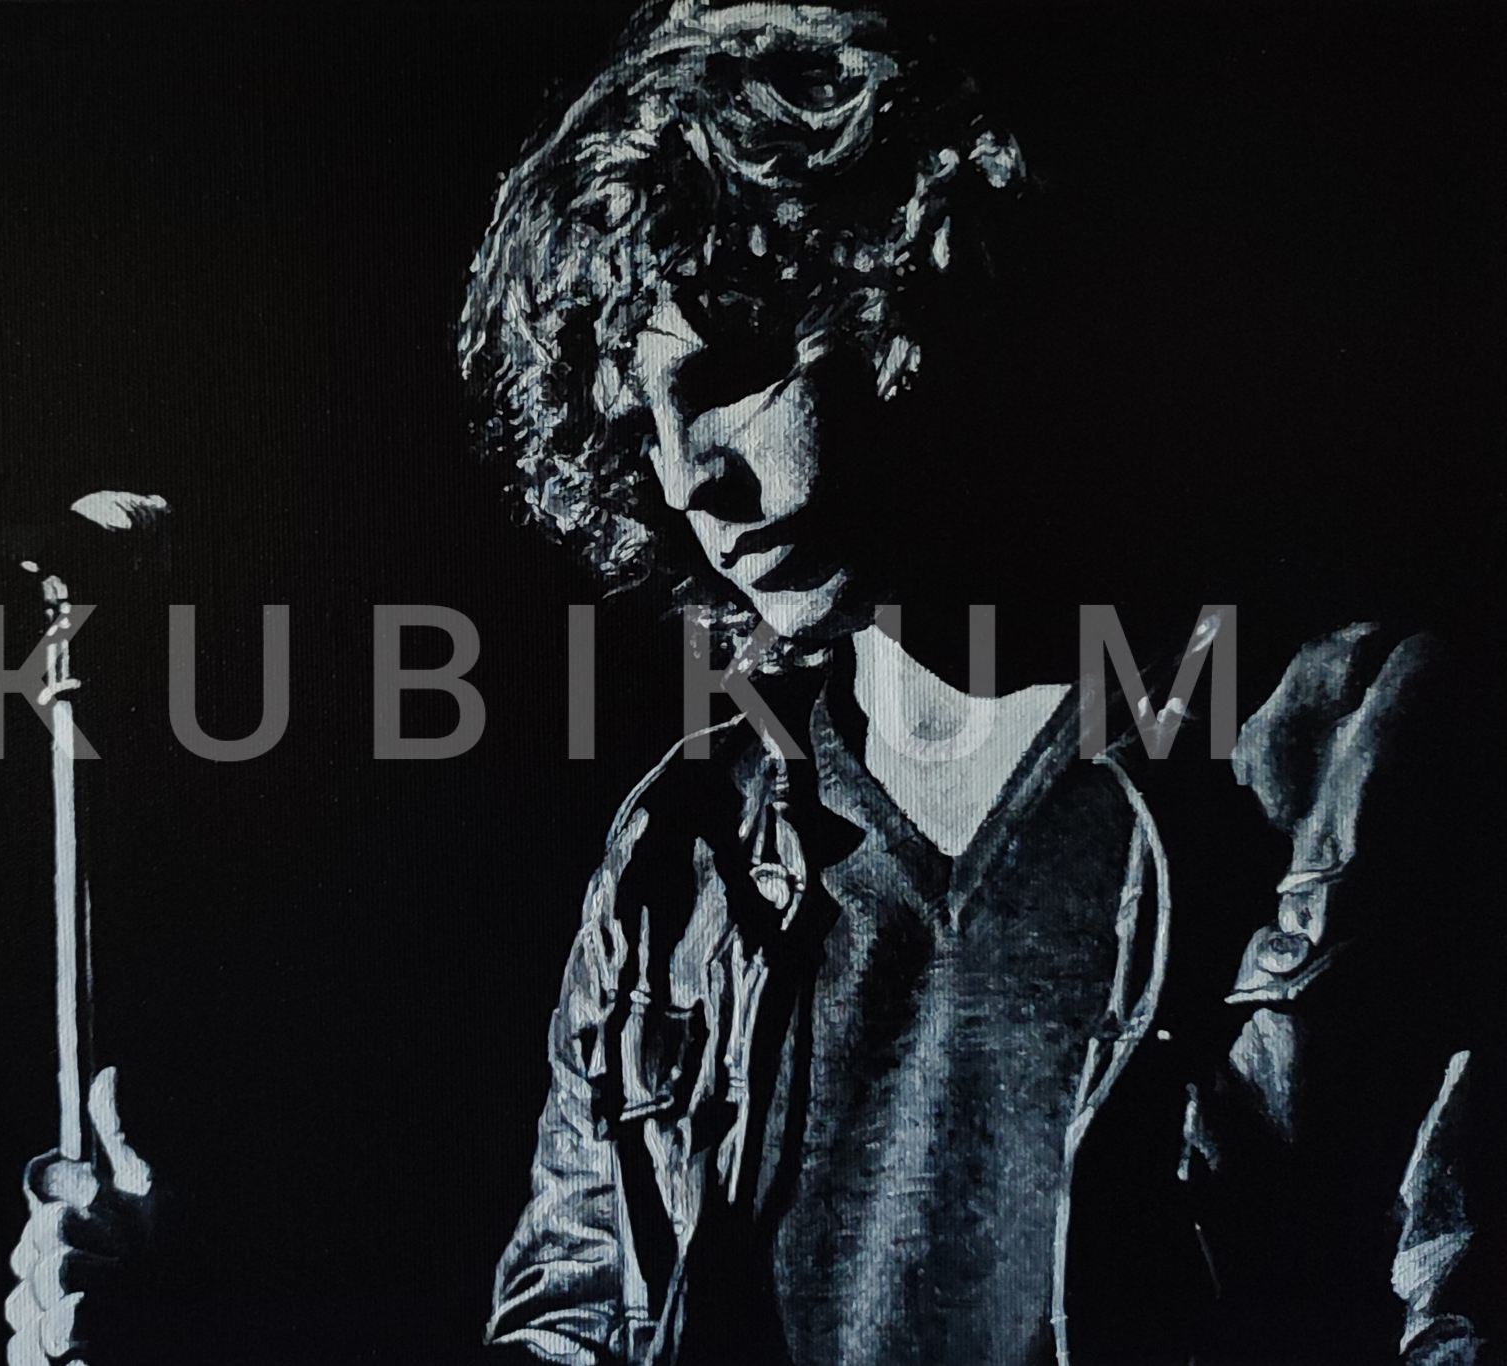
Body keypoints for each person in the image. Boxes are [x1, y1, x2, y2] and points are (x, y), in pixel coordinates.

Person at [458, 4, 1496, 1364]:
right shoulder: (683, 856)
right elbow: (573, 1319)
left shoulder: (1344, 744)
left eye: (736, 371)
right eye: (637, 425)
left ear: (906, 279)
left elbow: (1464, 1298)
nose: (689, 480)